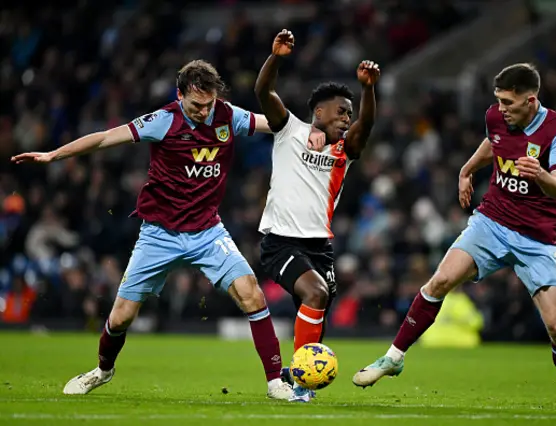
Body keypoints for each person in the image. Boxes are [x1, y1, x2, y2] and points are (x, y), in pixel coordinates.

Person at [11, 59, 326, 400]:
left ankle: (274, 383)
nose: (205, 112)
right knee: (120, 319)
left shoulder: (228, 115)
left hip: (208, 232)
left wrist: (311, 129)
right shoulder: (163, 121)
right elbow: (104, 138)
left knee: (252, 293)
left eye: (209, 104)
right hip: (159, 234)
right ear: (180, 96)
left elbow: (278, 124)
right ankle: (102, 370)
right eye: (196, 105)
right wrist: (53, 155)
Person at [352, 63, 556, 410]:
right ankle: (394, 357)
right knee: (439, 280)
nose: (501, 109)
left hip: (537, 239)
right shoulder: (496, 117)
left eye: (508, 103)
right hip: (492, 222)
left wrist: (541, 175)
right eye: (498, 100)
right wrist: (467, 169)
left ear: (530, 101)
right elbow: (493, 142)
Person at [253, 29, 380, 402]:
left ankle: (298, 377)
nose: (346, 118)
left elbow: (367, 126)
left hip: (320, 246)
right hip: (280, 242)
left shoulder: (345, 149)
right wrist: (276, 58)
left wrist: (369, 89)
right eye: (341, 111)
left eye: (349, 113)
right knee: (317, 292)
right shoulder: (288, 129)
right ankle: (301, 385)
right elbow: (264, 93)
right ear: (319, 111)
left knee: (317, 307)